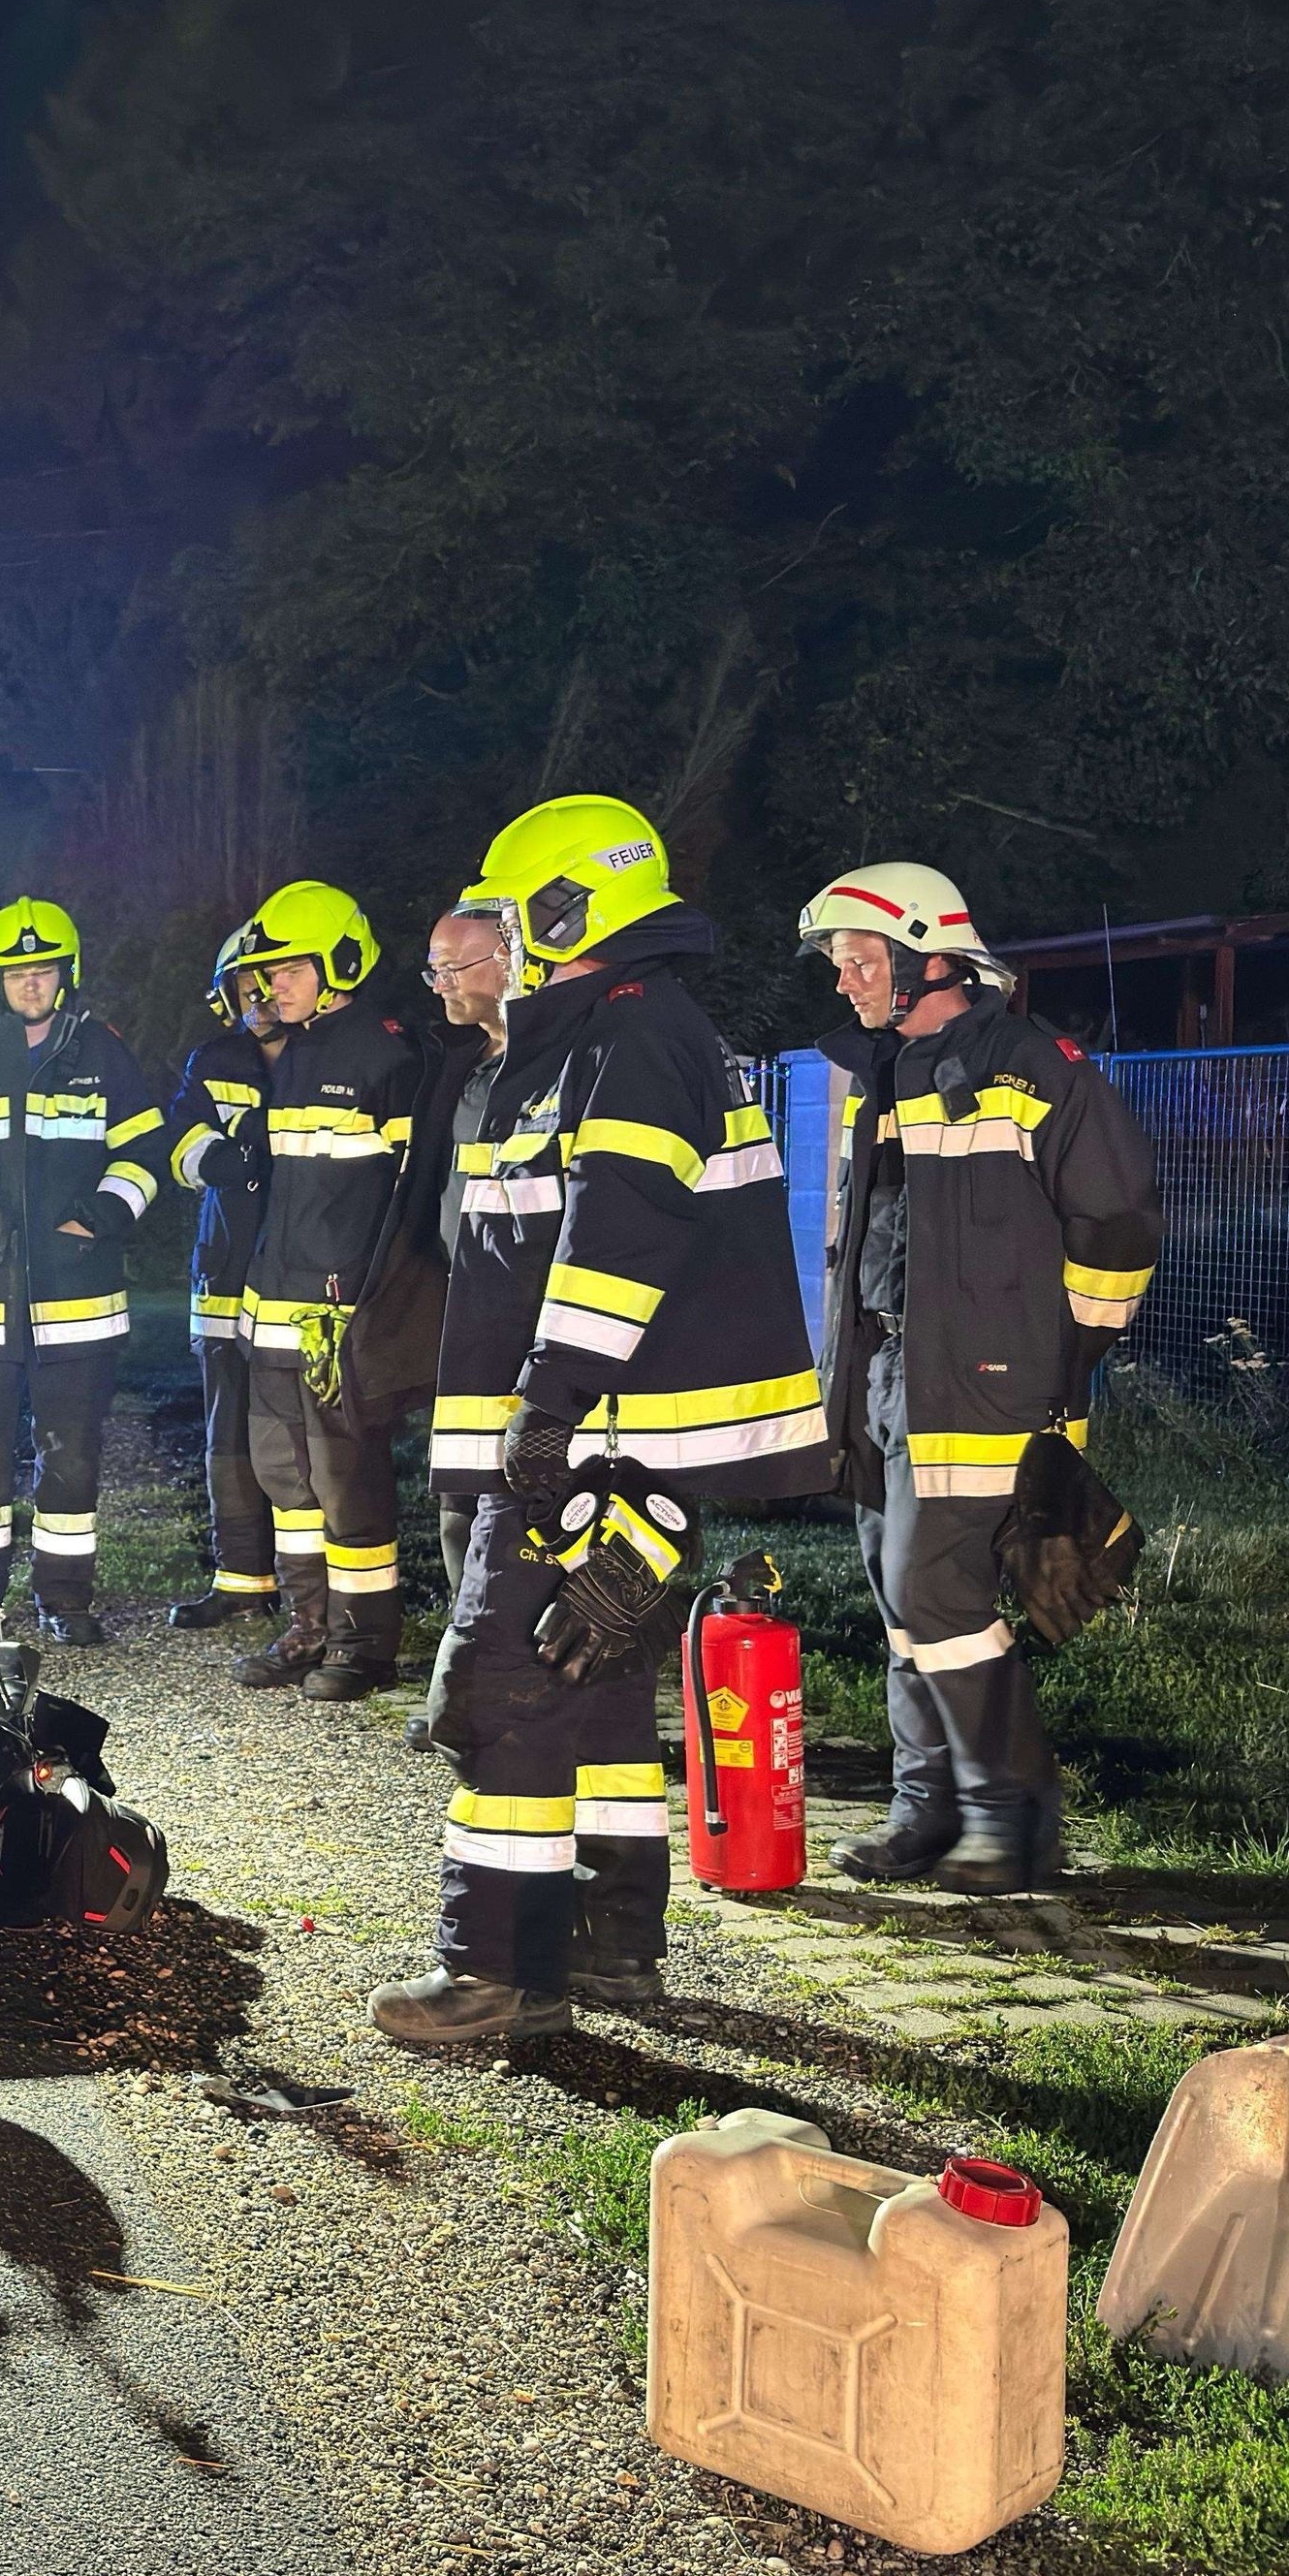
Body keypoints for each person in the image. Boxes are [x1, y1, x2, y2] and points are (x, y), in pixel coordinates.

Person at [371, 798, 830, 2048]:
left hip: (592, 1443)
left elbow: (616, 1238)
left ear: (567, 912)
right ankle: (615, 1946)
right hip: (604, 1441)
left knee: (507, 1689)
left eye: (512, 919)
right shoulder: (605, 1036)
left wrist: (546, 1413)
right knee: (604, 1696)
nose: (495, 942)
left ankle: (494, 1971)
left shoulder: (629, 1041)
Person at [802, 862, 1161, 1895]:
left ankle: (1013, 1820)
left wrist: (1072, 1350)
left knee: (936, 1588)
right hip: (886, 1377)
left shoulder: (1031, 1066)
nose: (845, 982)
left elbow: (1122, 1217)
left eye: (860, 960)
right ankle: (929, 1810)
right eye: (838, 964)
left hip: (987, 1386)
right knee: (897, 1591)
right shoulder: (883, 1076)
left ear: (930, 957)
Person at [0, 898, 163, 1649]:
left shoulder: (103, 1054)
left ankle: (65, 1600)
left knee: (72, 1456)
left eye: (44, 970)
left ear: (66, 975)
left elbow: (144, 1155)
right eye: (17, 973)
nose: (32, 984)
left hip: (79, 1296)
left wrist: (102, 1216)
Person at [198, 881, 422, 1699]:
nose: (269, 987)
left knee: (345, 1476)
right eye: (262, 973)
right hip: (274, 1308)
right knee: (282, 1472)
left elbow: (408, 1197)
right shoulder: (297, 1054)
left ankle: (365, 1646)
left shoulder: (391, 1054)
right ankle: (309, 1628)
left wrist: (371, 1304)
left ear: (343, 962)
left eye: (287, 969)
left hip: (337, 1319)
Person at [405, 908, 518, 1746]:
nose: (439, 984)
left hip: (528, 1317)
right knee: (458, 1497)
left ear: (508, 960)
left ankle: (519, 1688)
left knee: (519, 1506)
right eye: (433, 970)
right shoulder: (466, 1065)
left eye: (453, 967)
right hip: (464, 1304)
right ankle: (467, 1683)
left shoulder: (556, 1066)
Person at [152, 923, 280, 1628]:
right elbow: (181, 1142)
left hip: (298, 1280)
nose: (259, 996)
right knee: (226, 1435)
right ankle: (242, 1581)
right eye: (244, 985)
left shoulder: (328, 1058)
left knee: (301, 1441)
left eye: (270, 980)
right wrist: (223, 1159)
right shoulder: (215, 1059)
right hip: (225, 1272)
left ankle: (314, 1592)